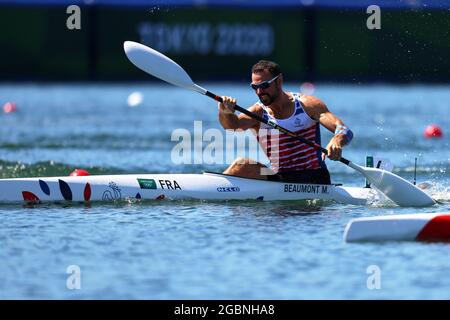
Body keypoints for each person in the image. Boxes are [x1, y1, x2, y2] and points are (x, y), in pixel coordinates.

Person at [218, 60, 353, 184]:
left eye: (264, 85)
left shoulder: (308, 105)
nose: (259, 92)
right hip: (282, 178)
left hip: (315, 177)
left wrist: (336, 141)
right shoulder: (258, 112)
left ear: (279, 81)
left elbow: (344, 130)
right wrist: (225, 111)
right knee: (241, 165)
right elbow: (232, 126)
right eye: (255, 87)